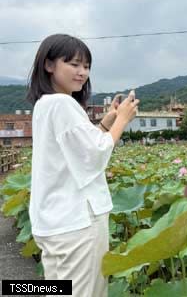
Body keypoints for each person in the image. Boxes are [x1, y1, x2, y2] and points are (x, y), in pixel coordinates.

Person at [26, 34, 139, 296]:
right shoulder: (63, 104)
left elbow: (78, 149)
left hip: (53, 223)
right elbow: (94, 154)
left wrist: (108, 121)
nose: (82, 72)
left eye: (86, 66)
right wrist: (123, 119)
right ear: (49, 65)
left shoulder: (45, 104)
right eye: (74, 64)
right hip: (78, 224)